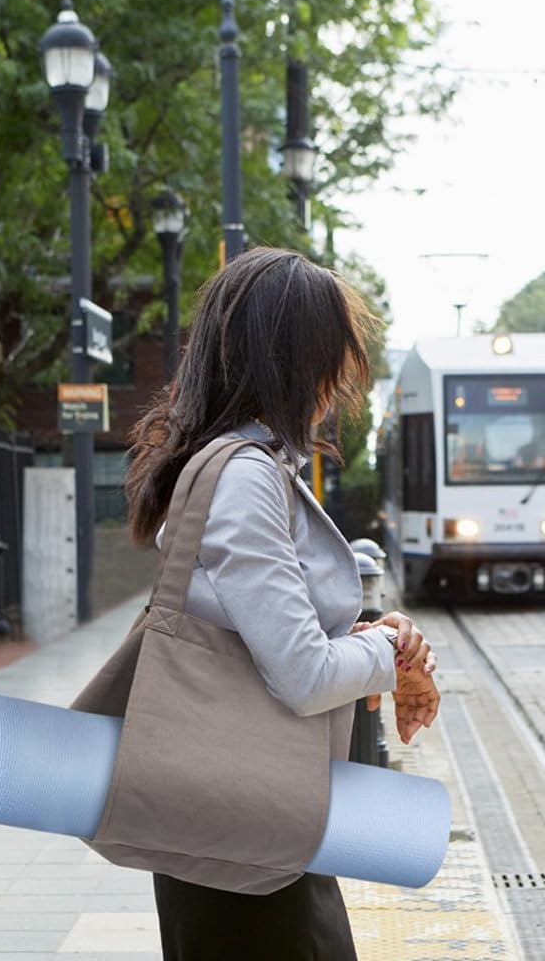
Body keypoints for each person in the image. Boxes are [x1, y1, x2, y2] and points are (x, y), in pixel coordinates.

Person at [124, 246, 441, 961]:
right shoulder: (244, 477)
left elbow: (267, 638)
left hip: (244, 816)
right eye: (332, 356)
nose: (339, 379)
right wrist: (388, 652)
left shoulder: (235, 464)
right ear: (292, 361)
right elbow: (303, 675)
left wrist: (376, 643)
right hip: (244, 835)